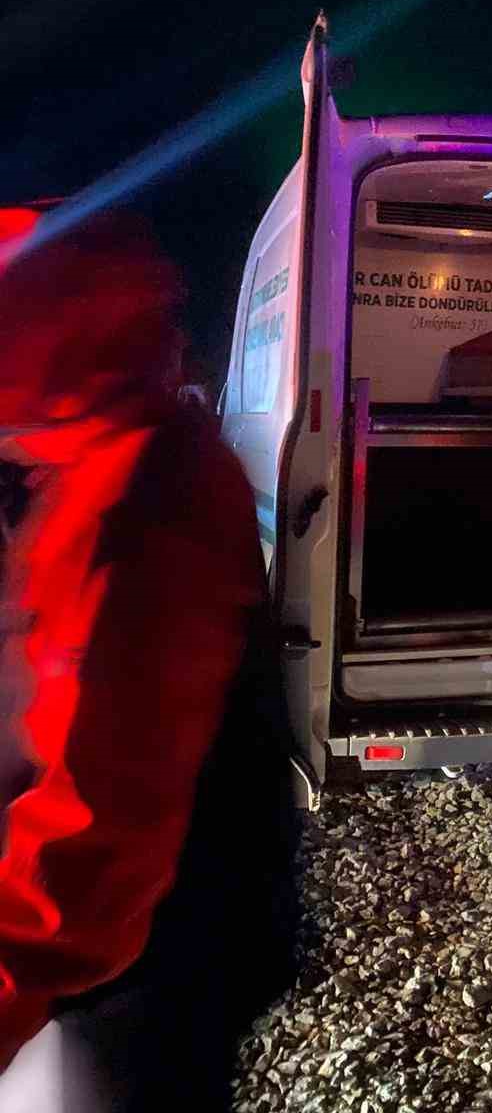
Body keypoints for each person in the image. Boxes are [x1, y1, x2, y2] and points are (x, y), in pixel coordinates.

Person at [0, 208, 298, 1111]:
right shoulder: (115, 454)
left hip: (152, 957)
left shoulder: (132, 504)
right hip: (162, 940)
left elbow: (101, 823)